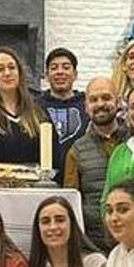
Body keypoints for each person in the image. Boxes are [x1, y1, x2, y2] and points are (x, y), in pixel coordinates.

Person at [64, 77, 129, 251]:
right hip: (94, 243)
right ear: (86, 107)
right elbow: (72, 200)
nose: (100, 104)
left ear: (118, 101)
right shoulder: (76, 151)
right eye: (93, 100)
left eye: (106, 98)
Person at [39, 48, 88, 180]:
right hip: (44, 179)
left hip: (81, 176)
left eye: (66, 67)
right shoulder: (34, 106)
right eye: (54, 68)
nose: (60, 72)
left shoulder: (87, 104)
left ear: (75, 74)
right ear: (46, 75)